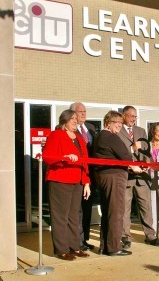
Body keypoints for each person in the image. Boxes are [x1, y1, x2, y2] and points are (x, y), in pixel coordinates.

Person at [42, 109, 91, 261]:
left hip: (77, 181)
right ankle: (62, 250)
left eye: (76, 118)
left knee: (74, 216)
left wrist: (87, 182)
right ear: (64, 121)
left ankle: (75, 247)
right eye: (72, 119)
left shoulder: (79, 138)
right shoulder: (56, 134)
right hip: (59, 180)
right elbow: (47, 157)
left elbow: (85, 162)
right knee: (60, 217)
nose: (75, 121)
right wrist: (64, 157)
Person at [93, 110, 142, 256]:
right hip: (115, 177)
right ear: (108, 123)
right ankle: (114, 247)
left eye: (121, 123)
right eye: (117, 123)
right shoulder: (110, 137)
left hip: (104, 177)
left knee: (108, 211)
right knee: (116, 212)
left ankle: (105, 246)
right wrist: (135, 166)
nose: (120, 126)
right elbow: (125, 155)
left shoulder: (99, 136)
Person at [118, 106, 159, 248]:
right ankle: (126, 237)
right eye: (131, 116)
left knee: (146, 207)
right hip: (127, 175)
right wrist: (132, 149)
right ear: (123, 115)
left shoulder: (141, 131)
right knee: (125, 208)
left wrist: (147, 163)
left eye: (135, 116)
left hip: (142, 176)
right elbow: (117, 153)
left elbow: (147, 152)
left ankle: (150, 236)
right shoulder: (117, 131)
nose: (133, 118)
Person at [70, 102, 96, 251]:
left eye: (84, 111)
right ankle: (77, 240)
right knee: (77, 209)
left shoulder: (91, 129)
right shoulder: (68, 130)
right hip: (77, 174)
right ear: (72, 113)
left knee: (87, 208)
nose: (83, 114)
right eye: (80, 111)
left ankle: (84, 238)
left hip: (90, 175)